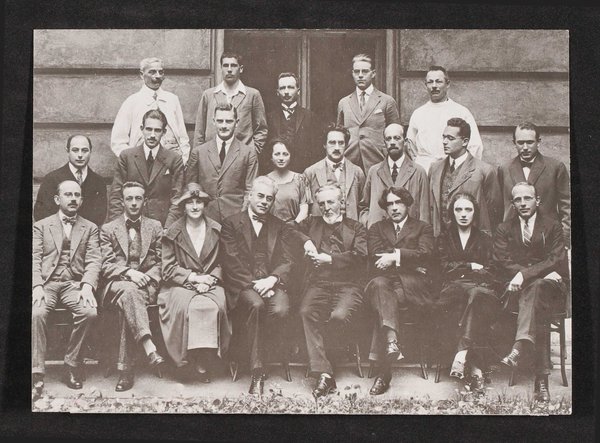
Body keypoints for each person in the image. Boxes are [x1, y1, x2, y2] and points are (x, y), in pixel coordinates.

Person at [493, 182, 569, 403]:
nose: (523, 203)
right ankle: (541, 382)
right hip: (519, 291)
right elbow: (502, 260)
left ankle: (519, 347)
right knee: (538, 308)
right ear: (512, 203)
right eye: (518, 199)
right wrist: (529, 276)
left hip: (552, 289)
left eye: (527, 198)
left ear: (538, 200)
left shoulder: (553, 226)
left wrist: (524, 275)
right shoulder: (504, 228)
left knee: (537, 291)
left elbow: (556, 259)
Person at [292, 184, 367, 398]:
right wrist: (306, 241)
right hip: (318, 283)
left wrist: (331, 259)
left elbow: (361, 256)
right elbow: (288, 229)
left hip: (348, 285)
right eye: (322, 203)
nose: (326, 208)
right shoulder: (311, 223)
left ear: (341, 203)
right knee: (306, 312)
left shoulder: (356, 227)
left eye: (331, 202)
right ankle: (325, 374)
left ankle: (324, 367)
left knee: (339, 316)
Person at [220, 176, 294, 395]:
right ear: (249, 196)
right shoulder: (231, 223)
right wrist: (257, 285)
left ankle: (260, 355)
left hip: (272, 283)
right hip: (243, 285)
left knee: (281, 309)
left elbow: (288, 260)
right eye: (260, 196)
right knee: (257, 305)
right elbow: (231, 262)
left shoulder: (280, 226)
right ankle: (258, 371)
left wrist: (272, 280)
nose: (264, 202)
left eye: (269, 198)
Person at [364, 186, 436, 395]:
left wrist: (394, 257)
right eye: (390, 204)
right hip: (384, 283)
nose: (394, 208)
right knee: (381, 288)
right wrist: (409, 260)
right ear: (385, 208)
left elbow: (426, 254)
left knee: (384, 303)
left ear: (407, 204)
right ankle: (391, 345)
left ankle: (383, 371)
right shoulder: (377, 228)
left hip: (411, 287)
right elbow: (375, 256)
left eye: (399, 203)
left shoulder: (423, 228)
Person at [158, 183, 231, 383]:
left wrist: (211, 279)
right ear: (183, 206)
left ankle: (204, 360)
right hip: (180, 283)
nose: (195, 206)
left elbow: (224, 262)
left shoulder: (217, 229)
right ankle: (184, 362)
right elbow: (168, 268)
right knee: (185, 308)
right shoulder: (172, 232)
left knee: (213, 306)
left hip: (211, 282)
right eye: (190, 202)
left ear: (205, 205)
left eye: (199, 202)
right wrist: (194, 278)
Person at [32, 180, 100, 392]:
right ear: (57, 199)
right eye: (68, 194)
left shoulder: (90, 228)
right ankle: (37, 372)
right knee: (36, 313)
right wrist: (37, 286)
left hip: (74, 284)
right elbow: (34, 258)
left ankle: (71, 364)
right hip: (48, 283)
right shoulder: (41, 226)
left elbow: (94, 260)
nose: (73, 199)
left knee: (89, 312)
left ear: (82, 200)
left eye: (77, 195)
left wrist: (87, 286)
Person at [99, 181, 166, 391]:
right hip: (117, 284)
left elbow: (162, 261)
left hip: (146, 284)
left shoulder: (155, 226)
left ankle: (126, 371)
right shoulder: (108, 229)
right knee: (129, 291)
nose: (134, 203)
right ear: (122, 202)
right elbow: (105, 265)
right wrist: (129, 273)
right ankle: (148, 345)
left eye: (138, 198)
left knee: (128, 300)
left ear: (145, 201)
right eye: (129, 198)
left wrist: (146, 277)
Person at [435, 192, 501, 394]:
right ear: (452, 212)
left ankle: (462, 354)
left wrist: (460, 268)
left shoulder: (485, 239)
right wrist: (471, 266)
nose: (463, 214)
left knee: (476, 297)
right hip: (453, 291)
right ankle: (476, 371)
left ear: (475, 212)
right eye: (458, 209)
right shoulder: (444, 238)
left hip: (480, 289)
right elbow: (442, 268)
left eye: (468, 209)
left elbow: (492, 271)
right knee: (474, 299)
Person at [498, 122, 571, 248]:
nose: (525, 147)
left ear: (538, 142)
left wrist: (564, 239)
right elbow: (499, 206)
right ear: (514, 143)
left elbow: (566, 206)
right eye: (520, 143)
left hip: (547, 238)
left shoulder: (555, 167)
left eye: (530, 142)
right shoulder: (504, 169)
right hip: (514, 239)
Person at [108, 109, 184, 227]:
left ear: (164, 132)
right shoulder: (127, 157)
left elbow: (177, 199)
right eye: (148, 129)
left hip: (162, 225)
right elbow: (116, 196)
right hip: (131, 224)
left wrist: (167, 228)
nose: (152, 135)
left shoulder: (174, 159)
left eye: (157, 130)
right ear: (142, 129)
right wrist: (118, 227)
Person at [185, 103, 258, 223]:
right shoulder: (198, 152)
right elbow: (191, 186)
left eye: (229, 121)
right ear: (213, 121)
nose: (224, 126)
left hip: (236, 217)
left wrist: (242, 218)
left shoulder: (248, 153)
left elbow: (250, 190)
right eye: (220, 121)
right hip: (205, 217)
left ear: (237, 122)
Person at [429, 118, 501, 238]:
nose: (445, 142)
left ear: (465, 141)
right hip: (440, 240)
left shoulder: (484, 170)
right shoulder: (435, 168)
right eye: (444, 137)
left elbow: (494, 211)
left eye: (450, 138)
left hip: (472, 240)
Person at [111, 57, 191, 164]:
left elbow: (183, 137)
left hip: (170, 163)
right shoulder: (132, 102)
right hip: (142, 164)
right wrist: (132, 162)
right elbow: (118, 141)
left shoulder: (172, 100)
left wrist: (183, 160)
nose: (158, 76)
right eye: (152, 72)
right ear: (141, 74)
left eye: (160, 72)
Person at [406, 66, 483, 173]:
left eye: (438, 82)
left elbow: (475, 146)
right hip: (424, 170)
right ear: (426, 85)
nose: (434, 86)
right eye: (430, 82)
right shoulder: (418, 113)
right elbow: (410, 147)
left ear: (447, 84)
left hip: (452, 170)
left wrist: (462, 171)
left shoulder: (461, 111)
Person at [193, 52, 268, 155]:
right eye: (225, 65)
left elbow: (261, 129)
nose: (229, 69)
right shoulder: (209, 95)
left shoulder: (252, 95)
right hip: (212, 155)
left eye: (233, 65)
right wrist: (200, 155)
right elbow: (199, 131)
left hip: (242, 156)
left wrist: (252, 152)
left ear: (241, 69)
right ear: (221, 68)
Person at [337, 54, 400, 173]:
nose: (360, 75)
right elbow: (339, 135)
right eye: (357, 71)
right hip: (350, 163)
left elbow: (396, 134)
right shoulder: (344, 103)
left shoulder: (387, 101)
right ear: (352, 73)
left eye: (365, 71)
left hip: (378, 162)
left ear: (373, 73)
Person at [359, 123, 430, 228]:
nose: (392, 142)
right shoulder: (374, 172)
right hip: (379, 234)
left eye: (397, 138)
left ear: (405, 141)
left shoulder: (418, 172)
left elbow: (424, 212)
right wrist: (368, 223)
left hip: (409, 234)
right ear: (384, 143)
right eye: (388, 139)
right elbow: (364, 206)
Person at [34, 135, 107, 227]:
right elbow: (41, 213)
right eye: (75, 150)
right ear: (67, 151)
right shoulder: (52, 179)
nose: (80, 155)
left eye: (84, 150)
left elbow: (100, 216)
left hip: (88, 234)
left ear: (90, 151)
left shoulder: (99, 181)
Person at [263, 72, 323, 173]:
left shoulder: (310, 117)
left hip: (303, 172)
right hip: (277, 174)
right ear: (277, 92)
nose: (286, 92)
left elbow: (316, 150)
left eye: (290, 87)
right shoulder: (269, 118)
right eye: (282, 88)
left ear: (298, 91)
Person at [304, 124, 365, 221]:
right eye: (332, 142)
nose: (337, 147)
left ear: (346, 145)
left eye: (341, 143)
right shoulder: (310, 172)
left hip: (350, 227)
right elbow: (305, 207)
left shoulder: (357, 172)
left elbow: (364, 206)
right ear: (324, 145)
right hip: (321, 227)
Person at [266, 139, 311, 223]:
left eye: (285, 154)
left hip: (295, 226)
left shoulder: (300, 179)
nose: (281, 158)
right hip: (270, 228)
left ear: (290, 156)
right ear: (271, 157)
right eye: (277, 154)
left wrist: (294, 224)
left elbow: (304, 209)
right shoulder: (265, 181)